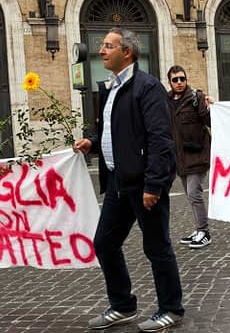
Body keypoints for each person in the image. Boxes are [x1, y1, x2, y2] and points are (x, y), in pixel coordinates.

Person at [74, 28, 184, 332]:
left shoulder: (147, 88)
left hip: (144, 185)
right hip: (117, 183)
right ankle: (122, 305)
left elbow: (160, 139)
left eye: (109, 46)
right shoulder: (110, 88)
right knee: (105, 243)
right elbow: (114, 130)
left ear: (128, 52)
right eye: (103, 46)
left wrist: (154, 184)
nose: (102, 51)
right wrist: (92, 143)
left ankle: (171, 309)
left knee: (157, 247)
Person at [166, 65, 213, 249]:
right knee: (189, 194)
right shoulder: (166, 101)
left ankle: (204, 231)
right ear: (169, 82)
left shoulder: (196, 98)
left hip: (199, 155)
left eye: (182, 79)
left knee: (195, 192)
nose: (179, 83)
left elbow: (210, 121)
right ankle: (198, 229)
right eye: (175, 80)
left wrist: (212, 107)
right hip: (180, 157)